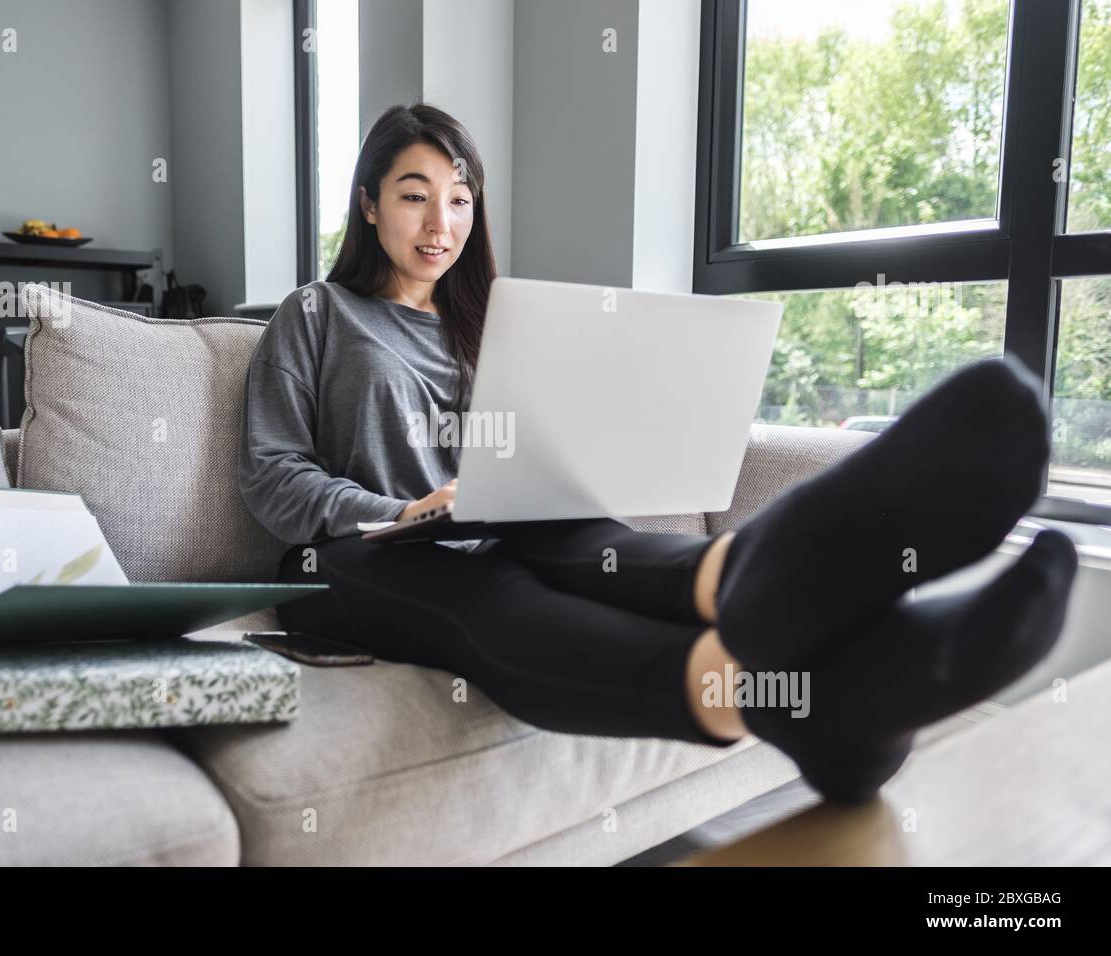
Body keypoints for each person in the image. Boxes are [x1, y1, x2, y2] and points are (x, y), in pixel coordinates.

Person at [237, 102, 1077, 804]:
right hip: (344, 561)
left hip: (480, 522)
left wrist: (552, 469)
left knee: (587, 537)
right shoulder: (316, 315)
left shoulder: (490, 323)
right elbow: (272, 475)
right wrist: (395, 511)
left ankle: (774, 618)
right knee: (485, 589)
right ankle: (769, 687)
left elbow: (526, 449)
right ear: (370, 204)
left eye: (460, 200)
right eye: (415, 196)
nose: (440, 223)